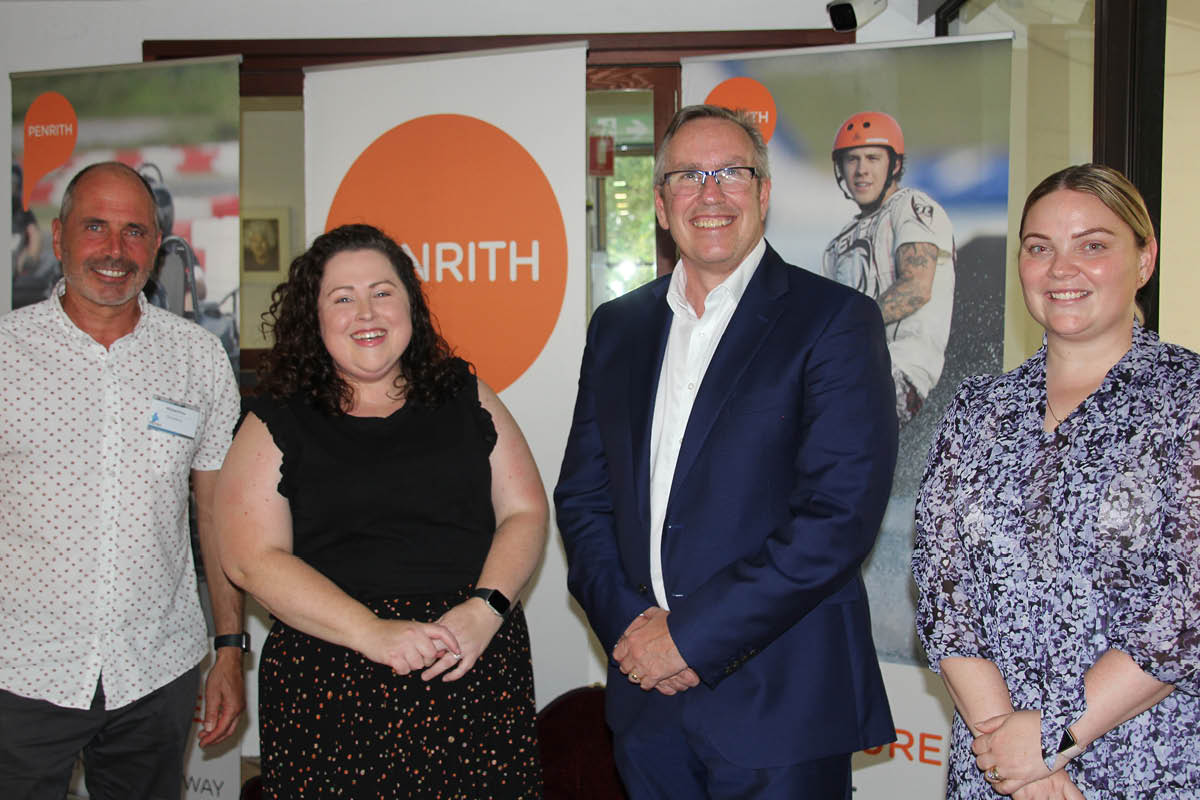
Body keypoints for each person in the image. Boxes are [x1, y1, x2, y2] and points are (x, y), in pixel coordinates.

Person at [554, 104, 898, 799]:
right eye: (687, 176)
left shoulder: (833, 320)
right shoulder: (619, 327)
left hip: (781, 706)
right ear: (660, 203)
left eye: (731, 173)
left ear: (763, 193)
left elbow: (838, 516)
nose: (710, 194)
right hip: (646, 702)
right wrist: (634, 633)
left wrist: (691, 639)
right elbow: (583, 498)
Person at [215, 223, 546, 797]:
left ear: (410, 306)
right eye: (342, 298)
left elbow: (526, 511)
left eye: (383, 292)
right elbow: (251, 560)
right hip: (333, 681)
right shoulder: (275, 420)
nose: (366, 312)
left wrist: (486, 609)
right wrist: (372, 633)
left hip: (468, 663)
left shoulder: (464, 393)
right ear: (313, 320)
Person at [913, 164, 1200, 798]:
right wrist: (1013, 756)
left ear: (1145, 260)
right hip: (995, 770)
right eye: (1040, 248)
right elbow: (942, 589)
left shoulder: (1188, 402)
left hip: (1146, 762)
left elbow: (1188, 606)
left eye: (1093, 246)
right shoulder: (978, 409)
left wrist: (1049, 741)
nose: (1061, 269)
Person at [0, 161, 247, 798]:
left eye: (134, 231)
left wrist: (229, 646)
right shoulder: (6, 355)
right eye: (95, 227)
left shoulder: (198, 358)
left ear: (157, 245)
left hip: (155, 674)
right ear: (57, 239)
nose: (114, 250)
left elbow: (216, 513)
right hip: (20, 674)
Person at [822, 111, 955, 426]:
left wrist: (843, 328)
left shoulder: (911, 207)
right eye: (851, 160)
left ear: (894, 165)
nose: (861, 170)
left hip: (901, 370)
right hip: (853, 370)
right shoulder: (836, 244)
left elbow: (916, 288)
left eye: (872, 158)